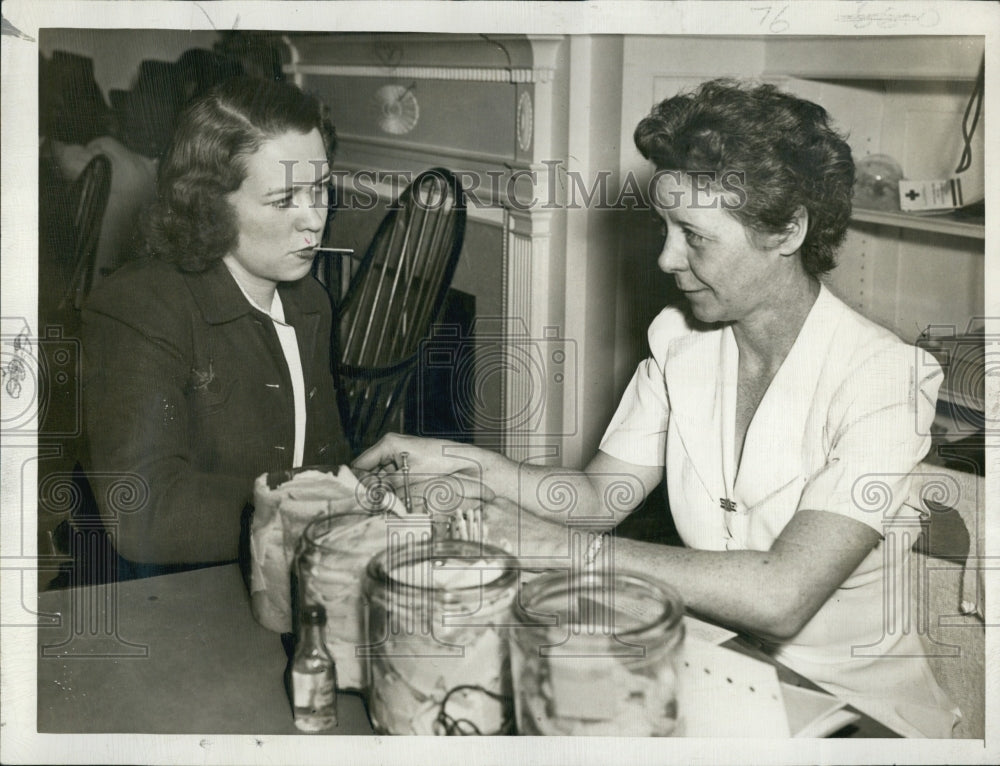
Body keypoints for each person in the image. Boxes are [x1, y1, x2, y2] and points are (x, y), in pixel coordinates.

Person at [354, 79, 957, 737]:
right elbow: (593, 498)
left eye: (694, 236)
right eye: (664, 227)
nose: (668, 258)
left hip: (859, 720)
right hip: (721, 685)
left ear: (787, 231)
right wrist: (452, 458)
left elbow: (782, 595)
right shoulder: (679, 343)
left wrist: (563, 551)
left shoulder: (885, 379)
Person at [82, 77, 351, 574]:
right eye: (284, 199)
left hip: (281, 571)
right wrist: (317, 512)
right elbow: (142, 513)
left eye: (321, 189)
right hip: (170, 594)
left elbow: (324, 460)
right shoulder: (138, 309)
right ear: (210, 204)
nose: (314, 220)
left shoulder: (310, 301)